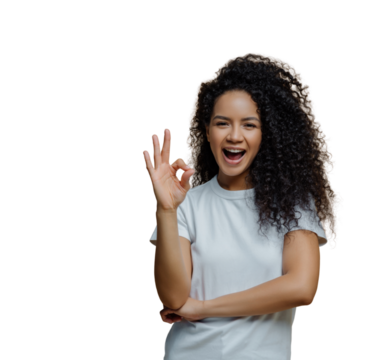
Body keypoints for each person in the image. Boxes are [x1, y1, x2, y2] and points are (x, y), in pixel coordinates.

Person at [142, 51, 343, 360]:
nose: (234, 136)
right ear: (208, 131)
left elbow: (301, 288)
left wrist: (205, 308)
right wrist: (166, 210)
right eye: (222, 123)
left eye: (249, 125)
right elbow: (173, 296)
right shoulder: (188, 203)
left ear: (267, 134)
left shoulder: (293, 205)